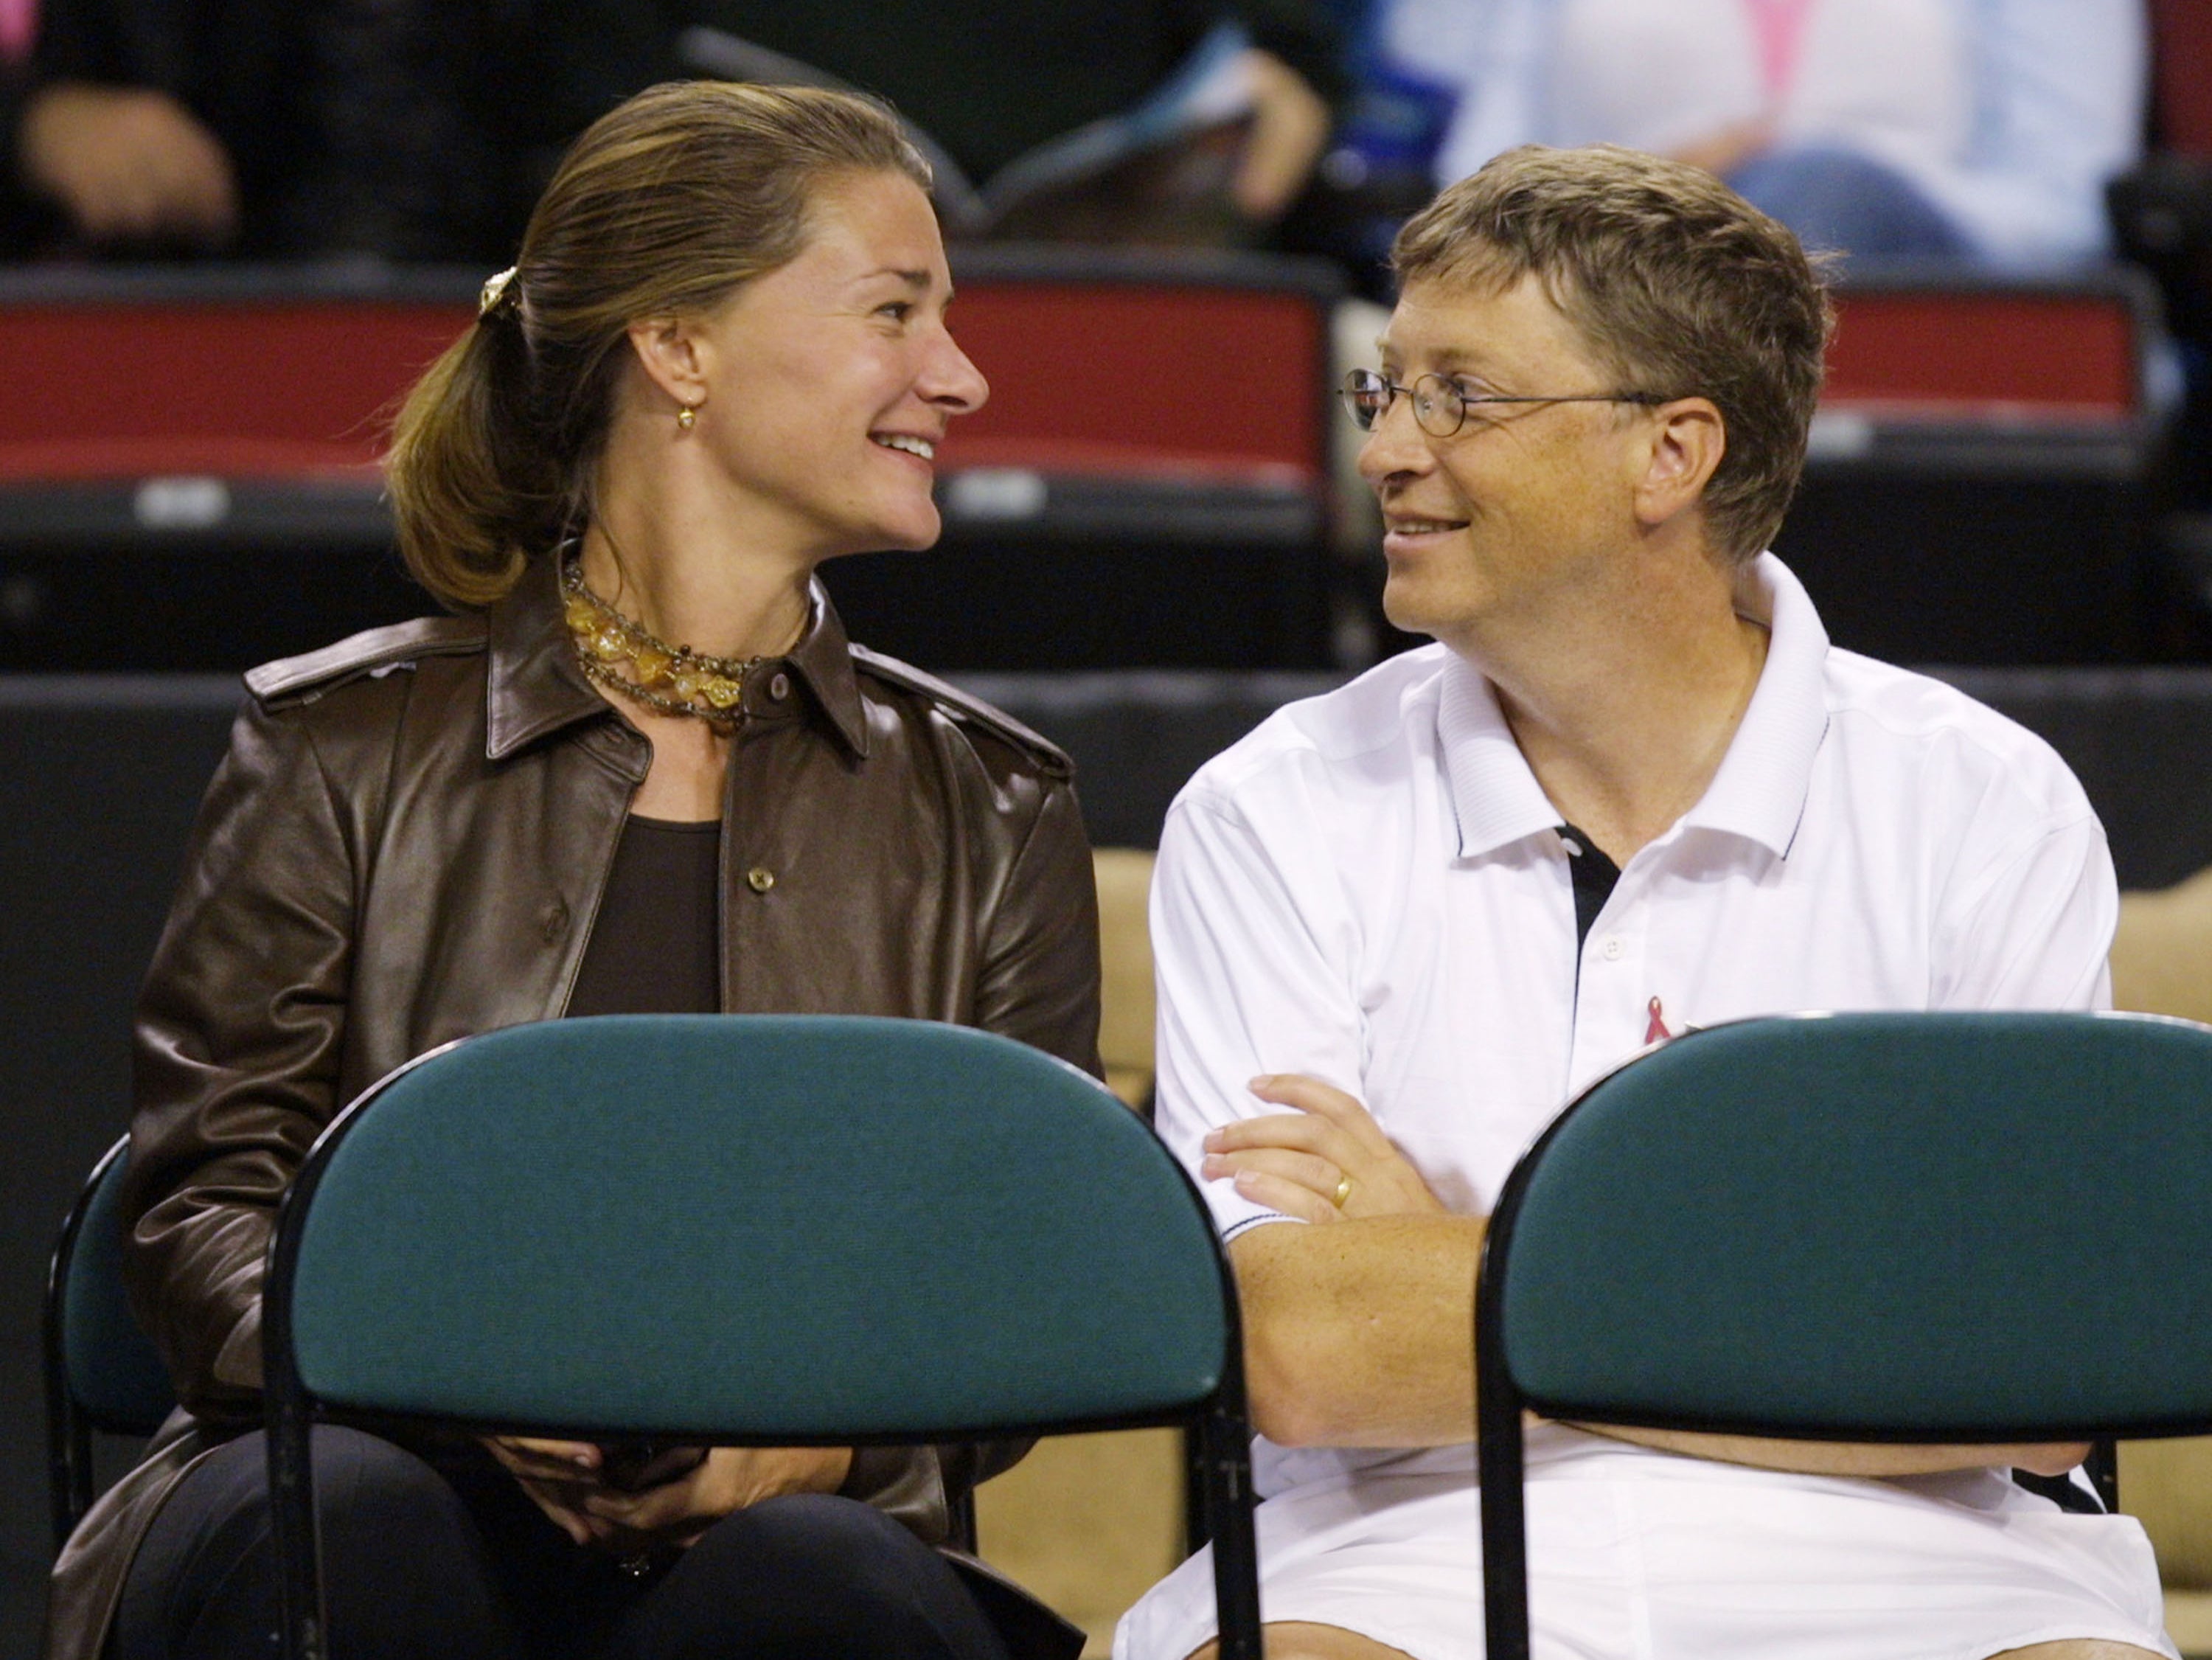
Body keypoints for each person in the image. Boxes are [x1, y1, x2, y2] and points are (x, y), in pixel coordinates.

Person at [43, 80, 1102, 1660]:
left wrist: (828, 1442)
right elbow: (201, 1219)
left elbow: (1014, 1285)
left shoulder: (992, 806)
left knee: (824, 1584)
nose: (958, 374)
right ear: (679, 349)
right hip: (359, 1465)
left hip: (785, 1533)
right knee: (358, 1529)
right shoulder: (343, 748)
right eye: (896, 310)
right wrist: (442, 1383)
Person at [1117, 144, 2174, 1660]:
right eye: (1385, 387)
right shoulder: (1271, 808)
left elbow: (2030, 1370)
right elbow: (1307, 1351)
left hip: (1931, 1565)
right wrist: (1818, 1315)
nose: (1387, 450)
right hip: (1396, 1551)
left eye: (1461, 396)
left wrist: (1459, 1270)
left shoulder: (1983, 805)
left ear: (1671, 453)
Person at [1399, 0, 2144, 267]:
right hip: (1612, 266)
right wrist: (1661, 196)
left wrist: (1797, 187)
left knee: (1818, 192)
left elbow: (2069, 209)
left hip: (1924, 289)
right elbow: (1475, 184)